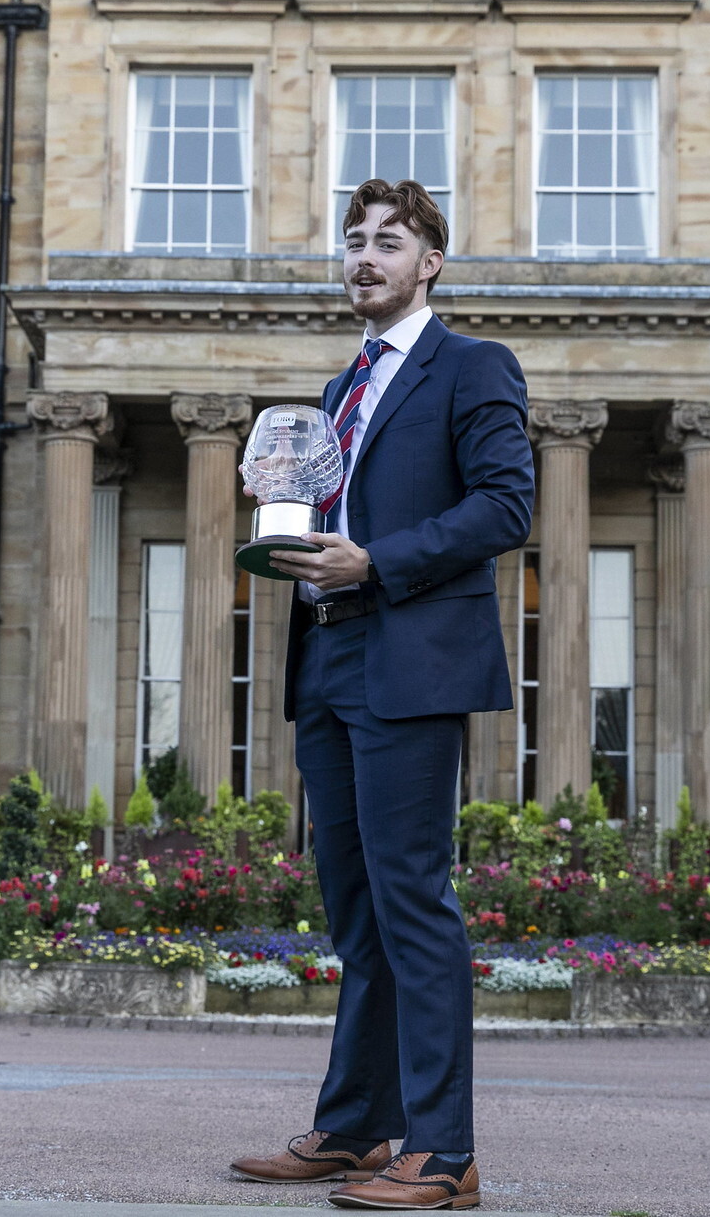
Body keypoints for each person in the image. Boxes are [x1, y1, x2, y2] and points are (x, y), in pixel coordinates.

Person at [228, 179, 535, 1211]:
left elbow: (505, 504)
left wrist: (377, 562)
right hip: (324, 657)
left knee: (413, 902)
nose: (363, 258)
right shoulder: (335, 390)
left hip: (409, 657)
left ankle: (443, 1151)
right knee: (354, 912)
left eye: (387, 243)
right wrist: (277, 507)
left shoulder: (470, 367)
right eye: (352, 241)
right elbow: (327, 513)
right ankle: (358, 1125)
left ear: (429, 263)